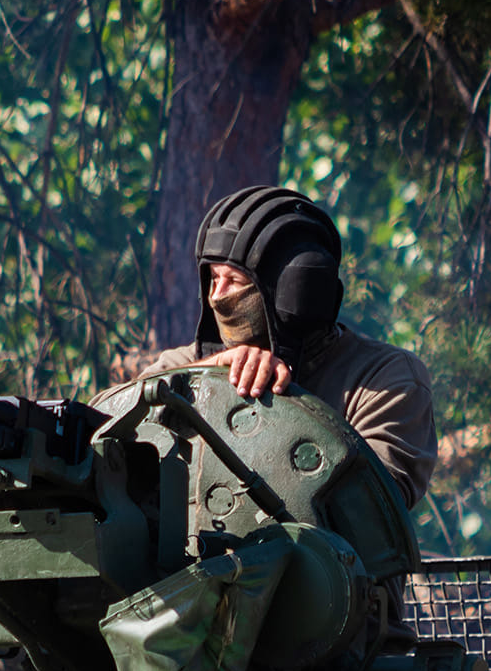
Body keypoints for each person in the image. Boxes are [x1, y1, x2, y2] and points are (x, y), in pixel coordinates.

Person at [140, 185, 439, 511]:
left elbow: (371, 510)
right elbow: (99, 436)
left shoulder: (382, 378)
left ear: (292, 293)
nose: (217, 296)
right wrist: (209, 376)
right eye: (213, 278)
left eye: (235, 281)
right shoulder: (184, 366)